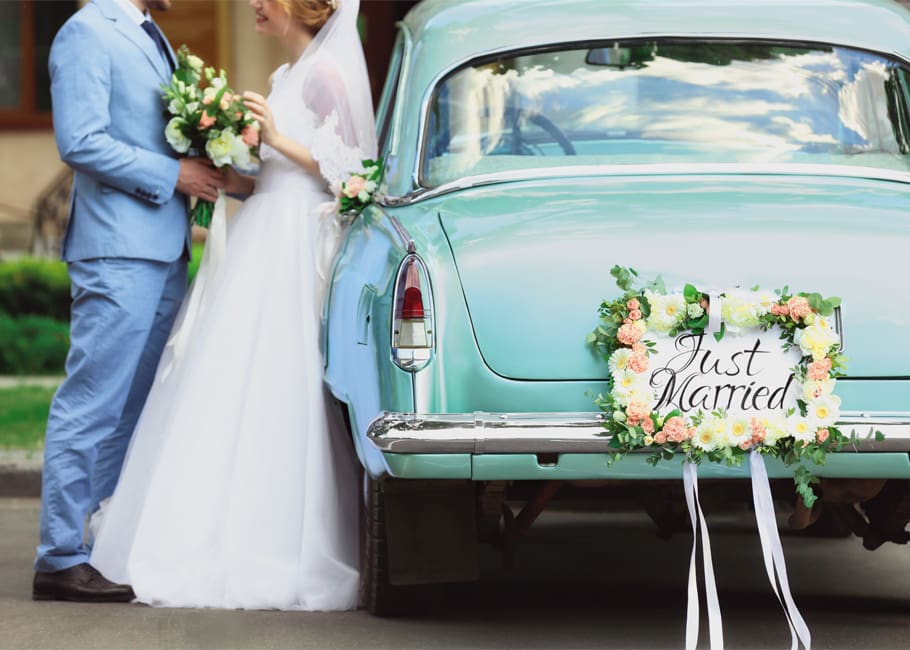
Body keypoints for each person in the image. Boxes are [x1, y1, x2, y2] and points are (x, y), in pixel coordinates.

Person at [89, 0, 376, 610]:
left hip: (296, 243)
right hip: (260, 234)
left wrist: (277, 139)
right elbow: (269, 176)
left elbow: (358, 176)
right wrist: (226, 164)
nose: (253, 4)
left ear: (302, 7)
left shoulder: (329, 76)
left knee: (281, 382)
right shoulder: (280, 79)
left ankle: (282, 541)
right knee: (223, 380)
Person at [33, 0, 225, 602]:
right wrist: (176, 177)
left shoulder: (153, 34)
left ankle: (101, 540)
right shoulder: (86, 32)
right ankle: (59, 556)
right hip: (116, 253)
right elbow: (80, 141)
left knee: (132, 410)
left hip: (164, 251)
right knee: (92, 401)